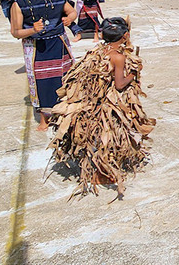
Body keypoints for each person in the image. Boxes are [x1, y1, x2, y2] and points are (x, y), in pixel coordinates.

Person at [48, 17, 156, 197]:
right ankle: (101, 175)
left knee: (95, 140)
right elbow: (120, 84)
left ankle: (95, 170)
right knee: (107, 138)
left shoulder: (97, 50)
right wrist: (134, 73)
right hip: (105, 104)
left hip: (88, 101)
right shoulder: (118, 56)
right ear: (125, 36)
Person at [9, 0, 79, 131]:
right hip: (36, 48)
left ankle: (66, 113)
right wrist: (33, 30)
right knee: (42, 82)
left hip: (58, 43)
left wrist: (69, 19)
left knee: (64, 78)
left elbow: (72, 11)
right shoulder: (18, 5)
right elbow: (15, 32)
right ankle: (44, 119)